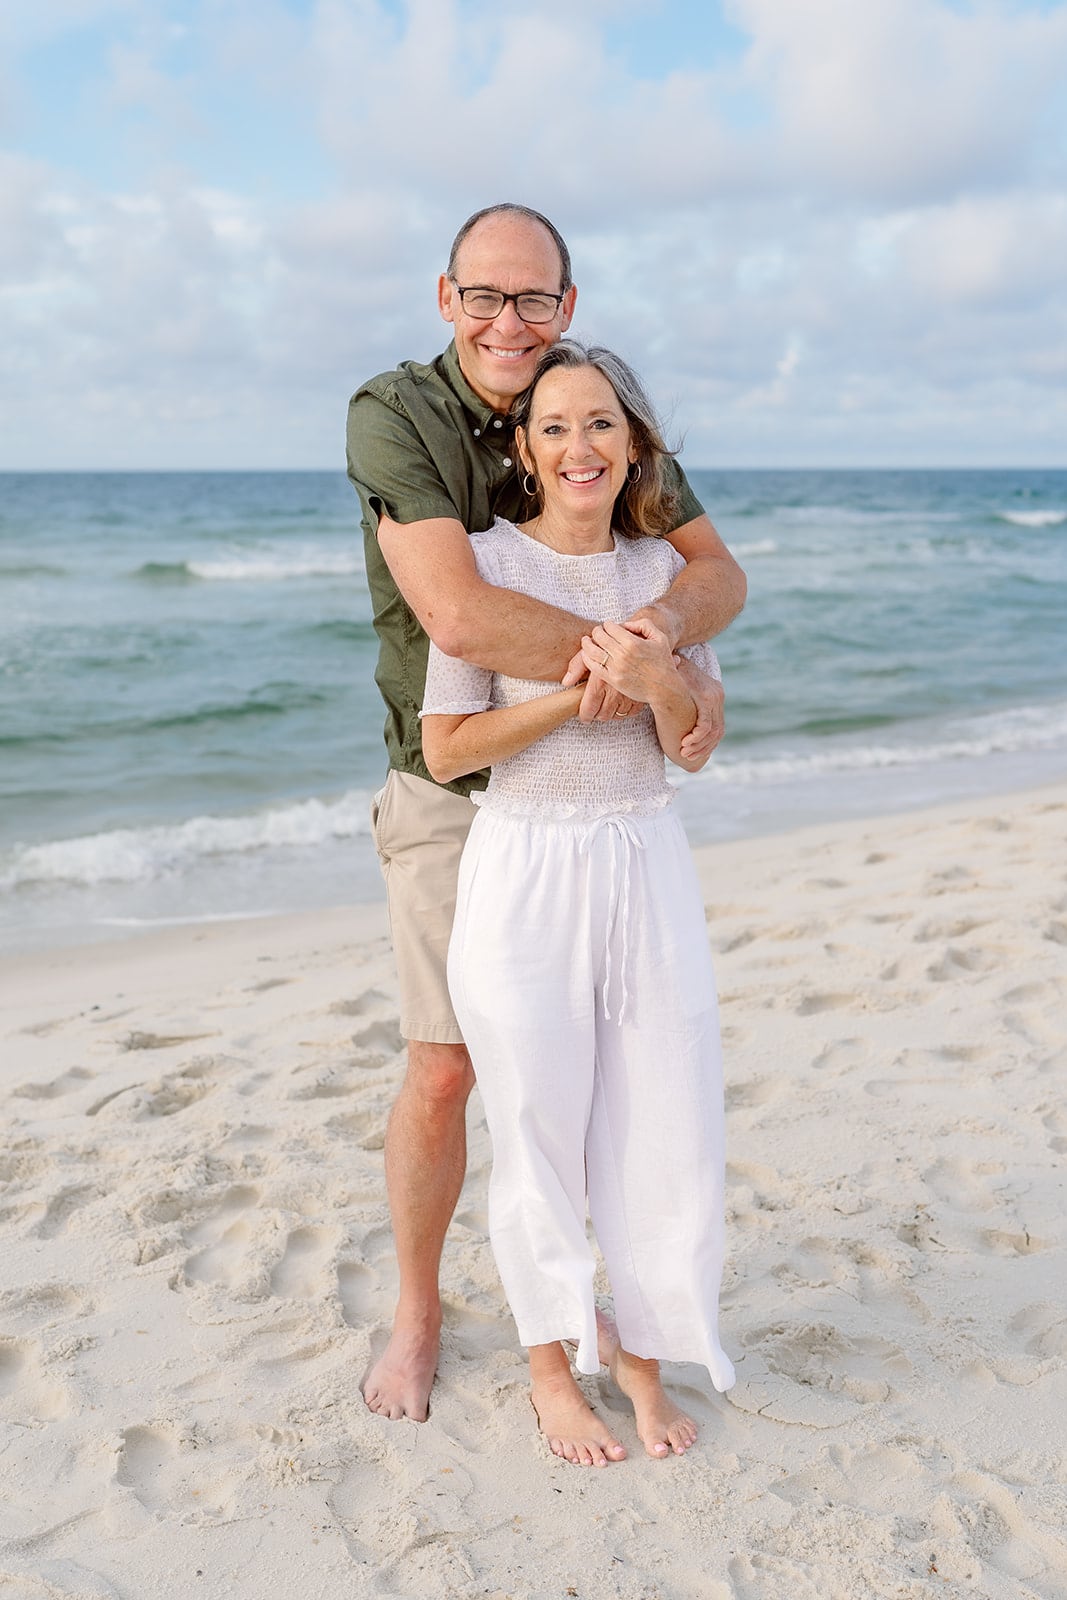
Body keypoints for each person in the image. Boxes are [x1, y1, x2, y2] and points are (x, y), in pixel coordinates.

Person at [346, 203, 746, 1423]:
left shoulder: (588, 404)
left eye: (532, 299)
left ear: (564, 306)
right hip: (454, 790)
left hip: (612, 813)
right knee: (449, 1064)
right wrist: (618, 670)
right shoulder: (395, 415)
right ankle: (421, 1310)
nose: (507, 321)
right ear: (445, 298)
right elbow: (461, 620)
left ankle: (620, 1324)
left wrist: (659, 637)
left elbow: (713, 572)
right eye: (483, 297)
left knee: (629, 1079)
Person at [420, 340, 734, 1465]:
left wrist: (653, 677)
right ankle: (552, 1368)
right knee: (538, 1129)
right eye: (551, 426)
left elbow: (693, 749)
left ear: (633, 441)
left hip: (644, 859)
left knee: (660, 1119)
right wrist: (568, 697)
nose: (577, 445)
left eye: (599, 422)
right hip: (525, 867)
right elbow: (450, 749)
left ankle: (642, 1364)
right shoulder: (482, 565)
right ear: (521, 446)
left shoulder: (662, 579)